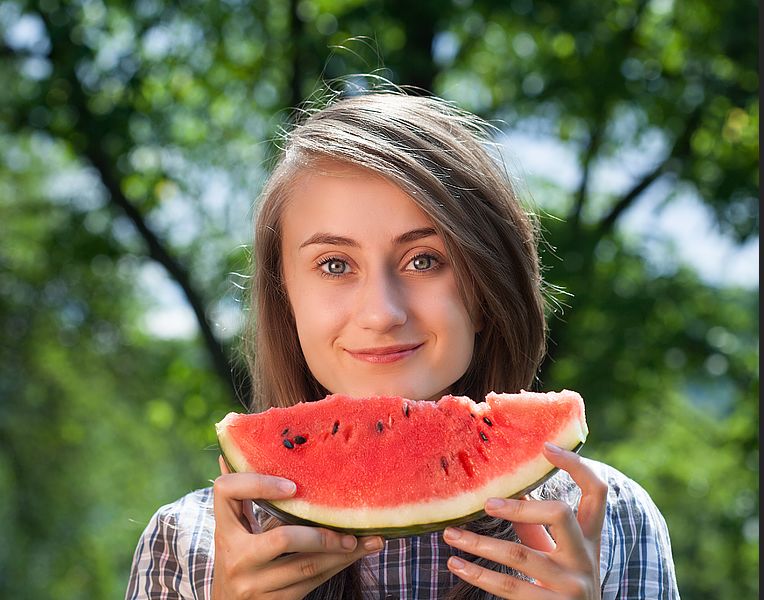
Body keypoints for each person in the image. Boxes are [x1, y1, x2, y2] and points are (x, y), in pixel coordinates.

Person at [126, 90, 680, 599]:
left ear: (485, 290)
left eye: (424, 260)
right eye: (335, 265)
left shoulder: (609, 522)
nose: (381, 313)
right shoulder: (186, 547)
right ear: (286, 297)